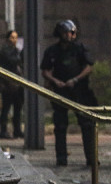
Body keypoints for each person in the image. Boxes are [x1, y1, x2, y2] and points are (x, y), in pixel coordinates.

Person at [40, 19, 97, 167]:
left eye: (72, 32)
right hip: (60, 90)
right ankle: (61, 158)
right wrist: (55, 81)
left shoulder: (80, 48)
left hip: (80, 90)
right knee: (60, 126)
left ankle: (91, 158)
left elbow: (89, 67)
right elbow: (45, 71)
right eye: (67, 32)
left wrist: (76, 80)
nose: (70, 35)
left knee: (86, 124)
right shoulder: (52, 51)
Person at [0, 29, 24, 139]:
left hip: (17, 85)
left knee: (18, 108)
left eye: (16, 37)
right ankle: (3, 131)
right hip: (7, 84)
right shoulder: (5, 51)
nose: (14, 40)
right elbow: (13, 61)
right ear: (8, 39)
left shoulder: (16, 50)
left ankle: (17, 130)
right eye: (12, 37)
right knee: (6, 108)